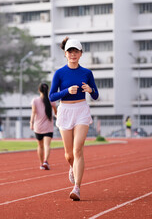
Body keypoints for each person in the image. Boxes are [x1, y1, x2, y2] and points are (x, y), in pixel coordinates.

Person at [49, 37, 99, 201]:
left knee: (78, 151)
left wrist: (90, 89)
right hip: (65, 111)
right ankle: (72, 167)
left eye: (76, 51)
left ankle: (76, 187)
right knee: (69, 155)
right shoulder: (60, 73)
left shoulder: (87, 73)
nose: (73, 54)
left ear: (80, 54)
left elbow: (96, 95)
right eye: (70, 51)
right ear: (65, 54)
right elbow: (51, 96)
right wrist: (66, 91)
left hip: (81, 110)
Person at [30, 83, 57, 170]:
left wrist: (31, 122)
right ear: (48, 90)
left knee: (40, 146)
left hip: (38, 127)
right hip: (48, 127)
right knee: (47, 145)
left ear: (39, 90)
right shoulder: (51, 100)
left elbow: (33, 112)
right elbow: (56, 112)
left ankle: (41, 164)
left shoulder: (35, 100)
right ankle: (45, 161)